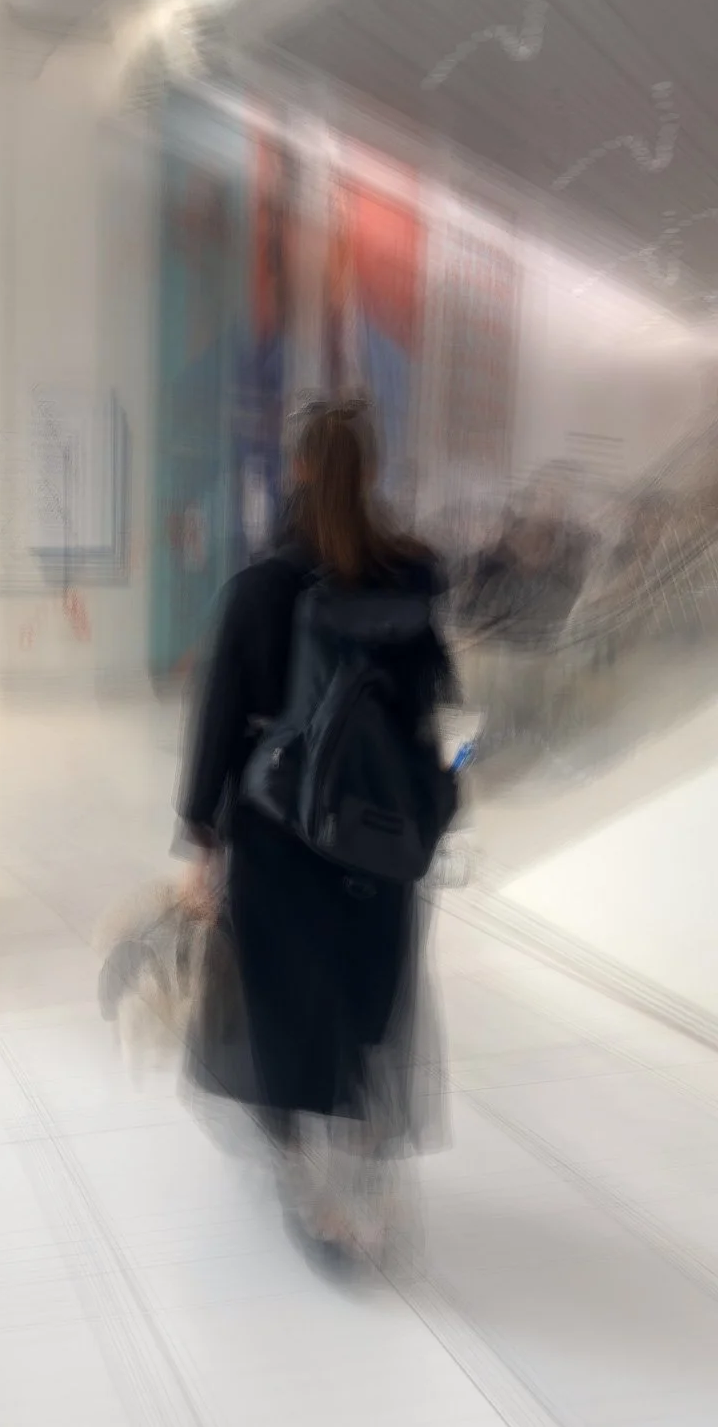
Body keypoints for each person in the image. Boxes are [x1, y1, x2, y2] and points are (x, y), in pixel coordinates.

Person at [178, 400, 455, 1267]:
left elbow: (220, 723)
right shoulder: (411, 579)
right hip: (379, 839)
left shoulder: (261, 588)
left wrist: (201, 840)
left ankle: (312, 1197)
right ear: (372, 471)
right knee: (369, 999)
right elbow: (430, 713)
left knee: (283, 1008)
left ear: (297, 471)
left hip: (279, 834)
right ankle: (372, 1176)